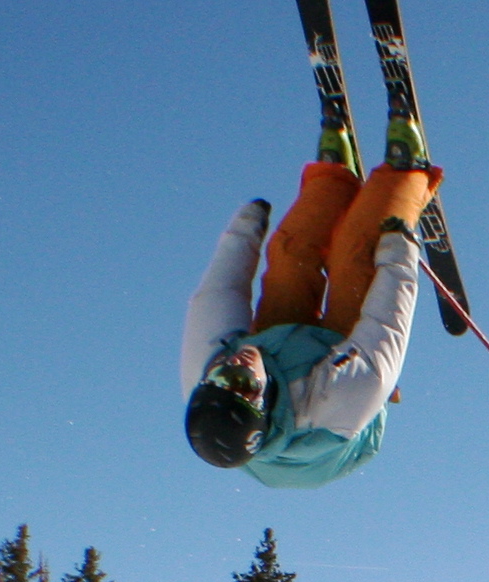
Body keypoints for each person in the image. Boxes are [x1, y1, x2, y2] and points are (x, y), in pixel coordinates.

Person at [180, 156, 444, 486]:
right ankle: (404, 174)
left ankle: (333, 177)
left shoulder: (207, 365)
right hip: (336, 376)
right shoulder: (341, 399)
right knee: (357, 256)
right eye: (243, 383)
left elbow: (219, 293)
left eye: (221, 374)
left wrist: (244, 231)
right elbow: (388, 319)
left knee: (290, 260)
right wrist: (400, 247)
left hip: (280, 349)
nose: (236, 364)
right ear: (260, 403)